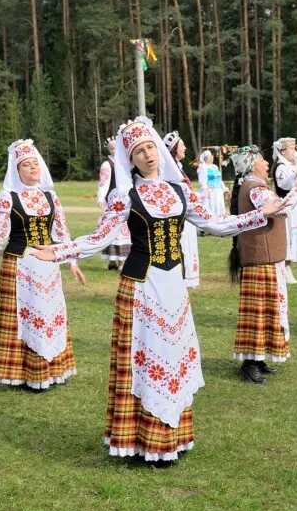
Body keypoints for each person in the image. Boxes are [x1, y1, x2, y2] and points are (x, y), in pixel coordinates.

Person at [31, 117, 282, 464]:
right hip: (141, 286)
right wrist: (58, 252)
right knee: (144, 360)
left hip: (174, 286)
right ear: (130, 159)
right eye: (140, 151)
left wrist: (258, 215)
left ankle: (171, 436)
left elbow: (217, 224)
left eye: (151, 147)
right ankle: (141, 440)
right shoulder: (125, 197)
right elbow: (99, 238)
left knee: (173, 358)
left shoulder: (179, 191)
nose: (148, 155)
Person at [0, 140, 86, 390]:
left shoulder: (50, 197)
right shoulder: (8, 197)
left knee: (49, 315)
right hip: (18, 265)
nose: (32, 168)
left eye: (35, 164)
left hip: (47, 265)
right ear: (17, 170)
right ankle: (23, 373)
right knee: (23, 319)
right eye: (26, 165)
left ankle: (53, 368)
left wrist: (71, 261)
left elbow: (61, 232)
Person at [228, 146, 297, 381]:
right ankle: (250, 362)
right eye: (262, 160)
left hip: (263, 258)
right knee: (259, 313)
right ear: (251, 165)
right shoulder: (255, 189)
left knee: (267, 311)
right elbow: (281, 209)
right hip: (260, 259)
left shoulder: (254, 187)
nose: (267, 163)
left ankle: (257, 358)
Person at [163, 131, 200, 288]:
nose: (185, 148)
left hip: (187, 211)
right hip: (180, 214)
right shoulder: (171, 171)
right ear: (174, 148)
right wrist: (199, 196)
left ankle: (187, 278)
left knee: (187, 245)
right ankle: (182, 279)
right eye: (182, 145)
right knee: (182, 245)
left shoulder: (177, 168)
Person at [271, 137, 297, 284]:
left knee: (293, 237)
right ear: (283, 151)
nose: (294, 151)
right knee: (287, 237)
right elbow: (284, 185)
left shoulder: (291, 165)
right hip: (286, 205)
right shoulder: (280, 167)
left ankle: (287, 268)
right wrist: (296, 175)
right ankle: (284, 269)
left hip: (295, 205)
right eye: (291, 149)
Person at [96, 134, 132, 270]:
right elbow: (104, 182)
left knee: (124, 229)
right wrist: (101, 197)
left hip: (126, 200)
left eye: (116, 147)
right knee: (112, 228)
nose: (114, 150)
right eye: (112, 148)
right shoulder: (107, 164)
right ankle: (112, 261)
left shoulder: (125, 162)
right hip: (113, 201)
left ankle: (122, 261)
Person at [197, 150, 226, 217]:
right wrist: (206, 190)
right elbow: (202, 181)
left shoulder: (215, 167)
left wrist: (224, 188)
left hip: (218, 192)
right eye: (209, 156)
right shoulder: (202, 167)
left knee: (219, 207)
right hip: (210, 191)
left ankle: (219, 219)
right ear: (205, 158)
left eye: (211, 156)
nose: (211, 157)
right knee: (211, 208)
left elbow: (219, 179)